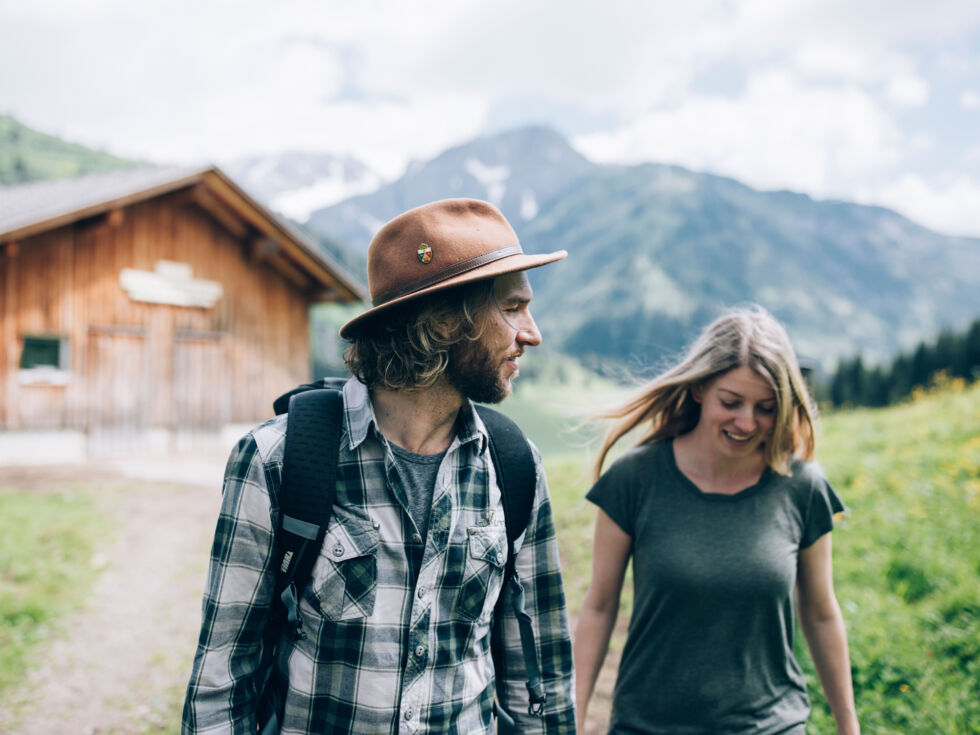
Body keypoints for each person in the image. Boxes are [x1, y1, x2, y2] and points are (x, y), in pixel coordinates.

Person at [182, 198, 577, 734]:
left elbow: (541, 683)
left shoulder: (513, 465)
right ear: (441, 323)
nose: (531, 333)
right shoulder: (277, 458)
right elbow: (221, 681)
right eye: (511, 308)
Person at [574, 305, 859, 735]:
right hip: (649, 725)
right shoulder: (635, 478)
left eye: (766, 407)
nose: (747, 423)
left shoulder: (802, 487)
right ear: (699, 389)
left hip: (770, 725)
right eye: (732, 402)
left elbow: (821, 613)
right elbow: (599, 606)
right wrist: (572, 717)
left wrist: (848, 727)